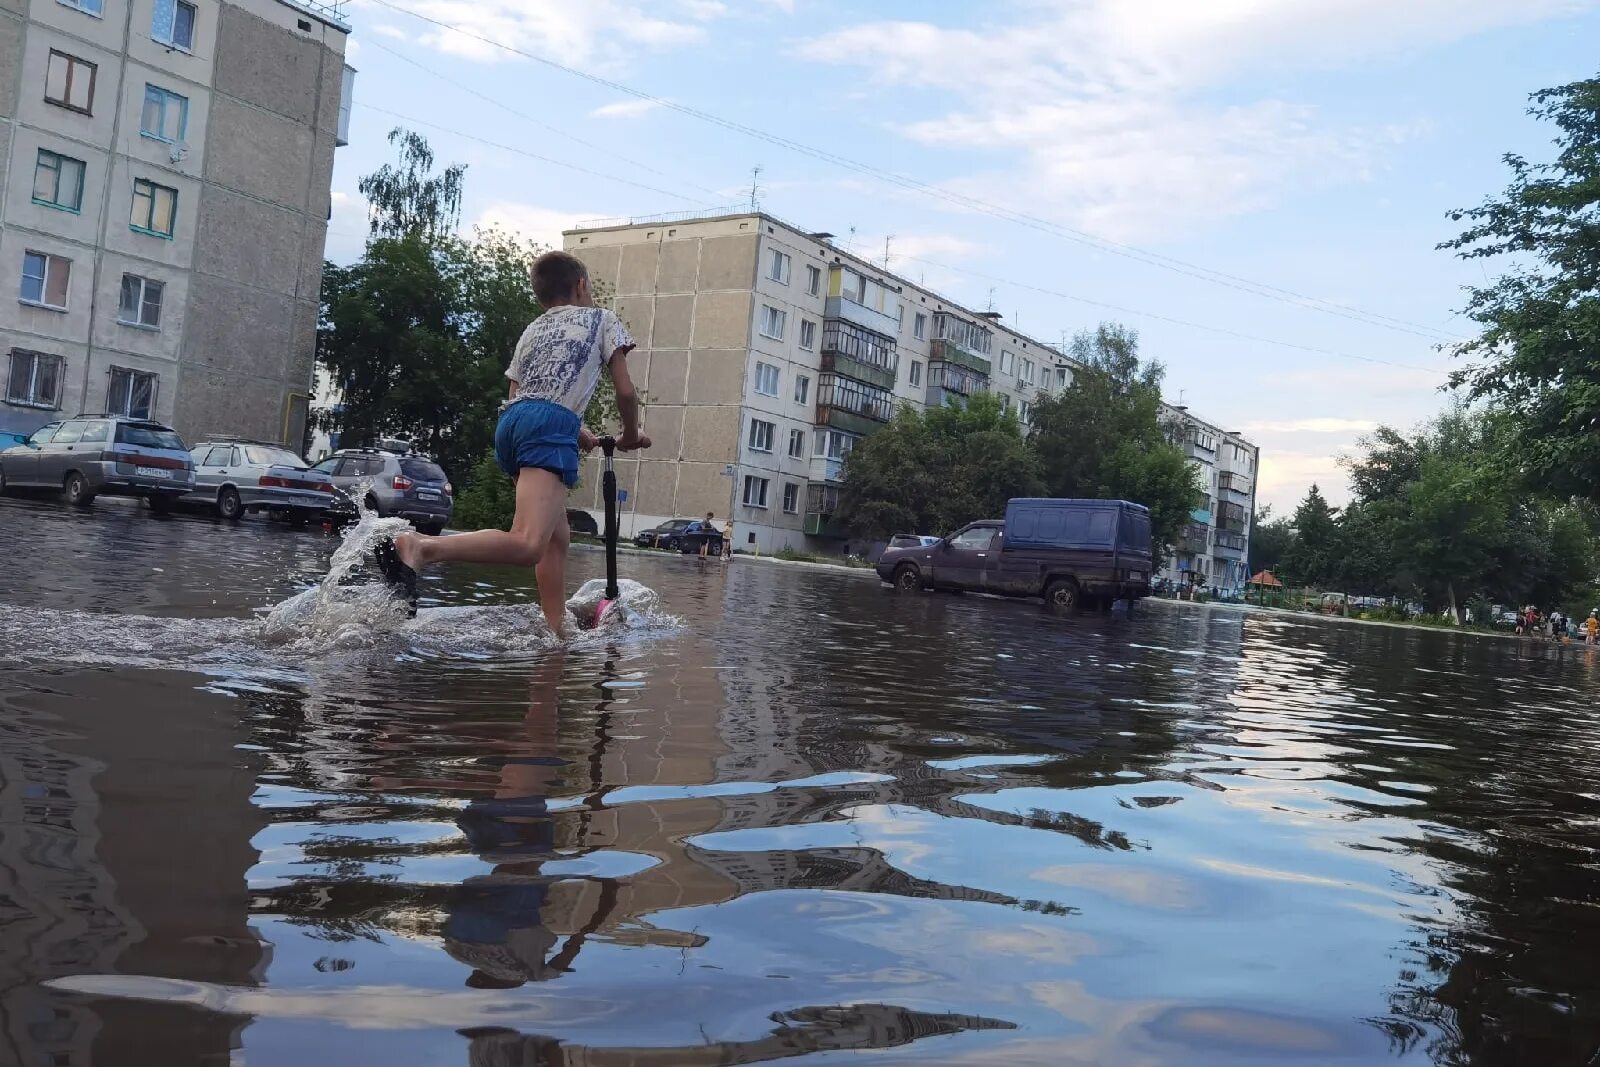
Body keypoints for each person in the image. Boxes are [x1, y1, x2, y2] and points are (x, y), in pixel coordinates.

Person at [379, 251, 649, 633]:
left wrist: (579, 432)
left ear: (540, 296)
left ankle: (557, 630)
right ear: (582, 286)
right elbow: (625, 391)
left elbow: (520, 394)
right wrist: (632, 435)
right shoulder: (602, 319)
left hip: (512, 424)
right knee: (527, 544)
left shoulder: (532, 331)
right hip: (548, 426)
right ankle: (421, 547)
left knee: (556, 539)